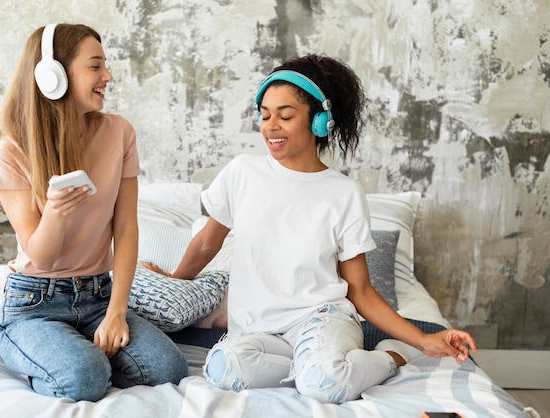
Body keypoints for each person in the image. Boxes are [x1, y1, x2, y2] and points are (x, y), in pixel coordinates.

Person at [144, 54, 477, 403]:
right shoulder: (242, 172)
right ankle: (309, 364)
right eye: (265, 114)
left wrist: (421, 341)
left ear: (319, 122)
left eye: (285, 116)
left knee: (324, 384)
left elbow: (360, 290)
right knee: (222, 371)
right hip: (258, 329)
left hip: (321, 318)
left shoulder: (343, 193)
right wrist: (174, 280)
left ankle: (390, 355)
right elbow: (207, 243)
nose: (271, 125)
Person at [0, 23, 187, 402]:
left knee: (168, 368)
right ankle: (21, 343)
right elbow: (43, 256)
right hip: (35, 303)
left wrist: (116, 312)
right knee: (86, 377)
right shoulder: (11, 152)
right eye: (95, 66)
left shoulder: (119, 132)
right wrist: (55, 212)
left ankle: (71, 349)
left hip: (99, 295)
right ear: (53, 77)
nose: (107, 77)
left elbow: (127, 229)